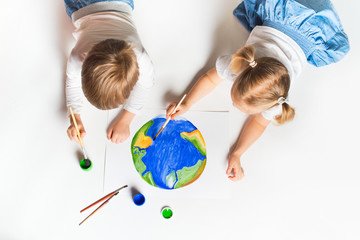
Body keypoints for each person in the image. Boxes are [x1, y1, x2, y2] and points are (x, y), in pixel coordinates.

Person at [166, 0, 349, 181]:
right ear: (238, 75)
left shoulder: (275, 100)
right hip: (293, 19)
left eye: (239, 106)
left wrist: (237, 153)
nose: (232, 106)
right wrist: (187, 102)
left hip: (306, 31)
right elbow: (210, 78)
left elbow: (259, 124)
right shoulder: (237, 65)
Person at [64, 0, 154, 144]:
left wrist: (126, 120)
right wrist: (74, 116)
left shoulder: (139, 55)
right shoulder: (79, 55)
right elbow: (72, 84)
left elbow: (146, 84)